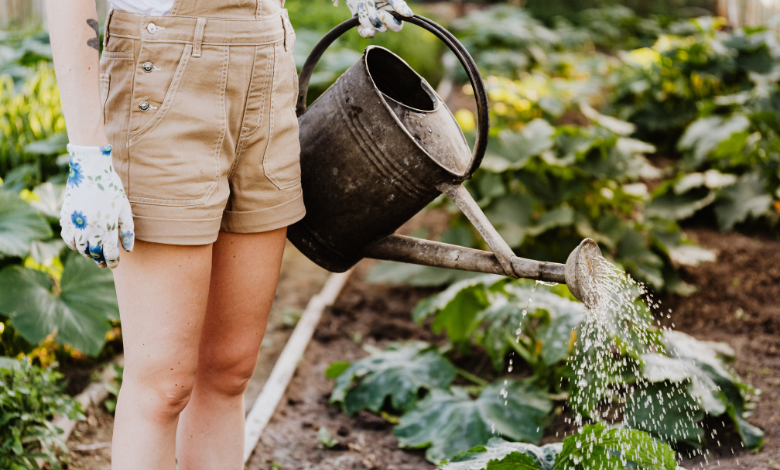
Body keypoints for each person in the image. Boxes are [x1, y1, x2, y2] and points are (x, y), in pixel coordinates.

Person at [44, 0, 413, 468]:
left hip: (267, 60)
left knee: (229, 371)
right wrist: (87, 153)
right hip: (162, 72)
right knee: (164, 385)